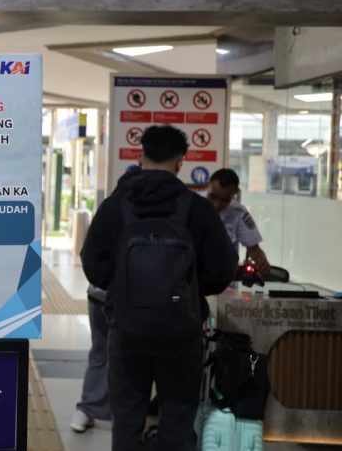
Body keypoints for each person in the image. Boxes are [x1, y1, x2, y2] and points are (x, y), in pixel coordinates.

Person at [81, 125, 237, 451]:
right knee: (178, 420)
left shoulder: (116, 207)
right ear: (181, 161)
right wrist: (189, 288)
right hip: (182, 334)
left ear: (141, 156)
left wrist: (126, 287)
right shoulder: (197, 209)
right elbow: (223, 270)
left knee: (127, 420)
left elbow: (93, 265)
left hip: (127, 331)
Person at [207, 168, 271, 278]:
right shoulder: (193, 206)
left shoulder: (239, 213)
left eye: (224, 200)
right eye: (213, 197)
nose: (217, 204)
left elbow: (253, 248)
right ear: (208, 187)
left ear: (234, 194)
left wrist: (262, 263)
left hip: (225, 278)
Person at [70, 284, 112, 433]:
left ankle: (87, 409)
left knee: (100, 353)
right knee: (132, 357)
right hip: (128, 296)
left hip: (99, 292)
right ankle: (128, 417)